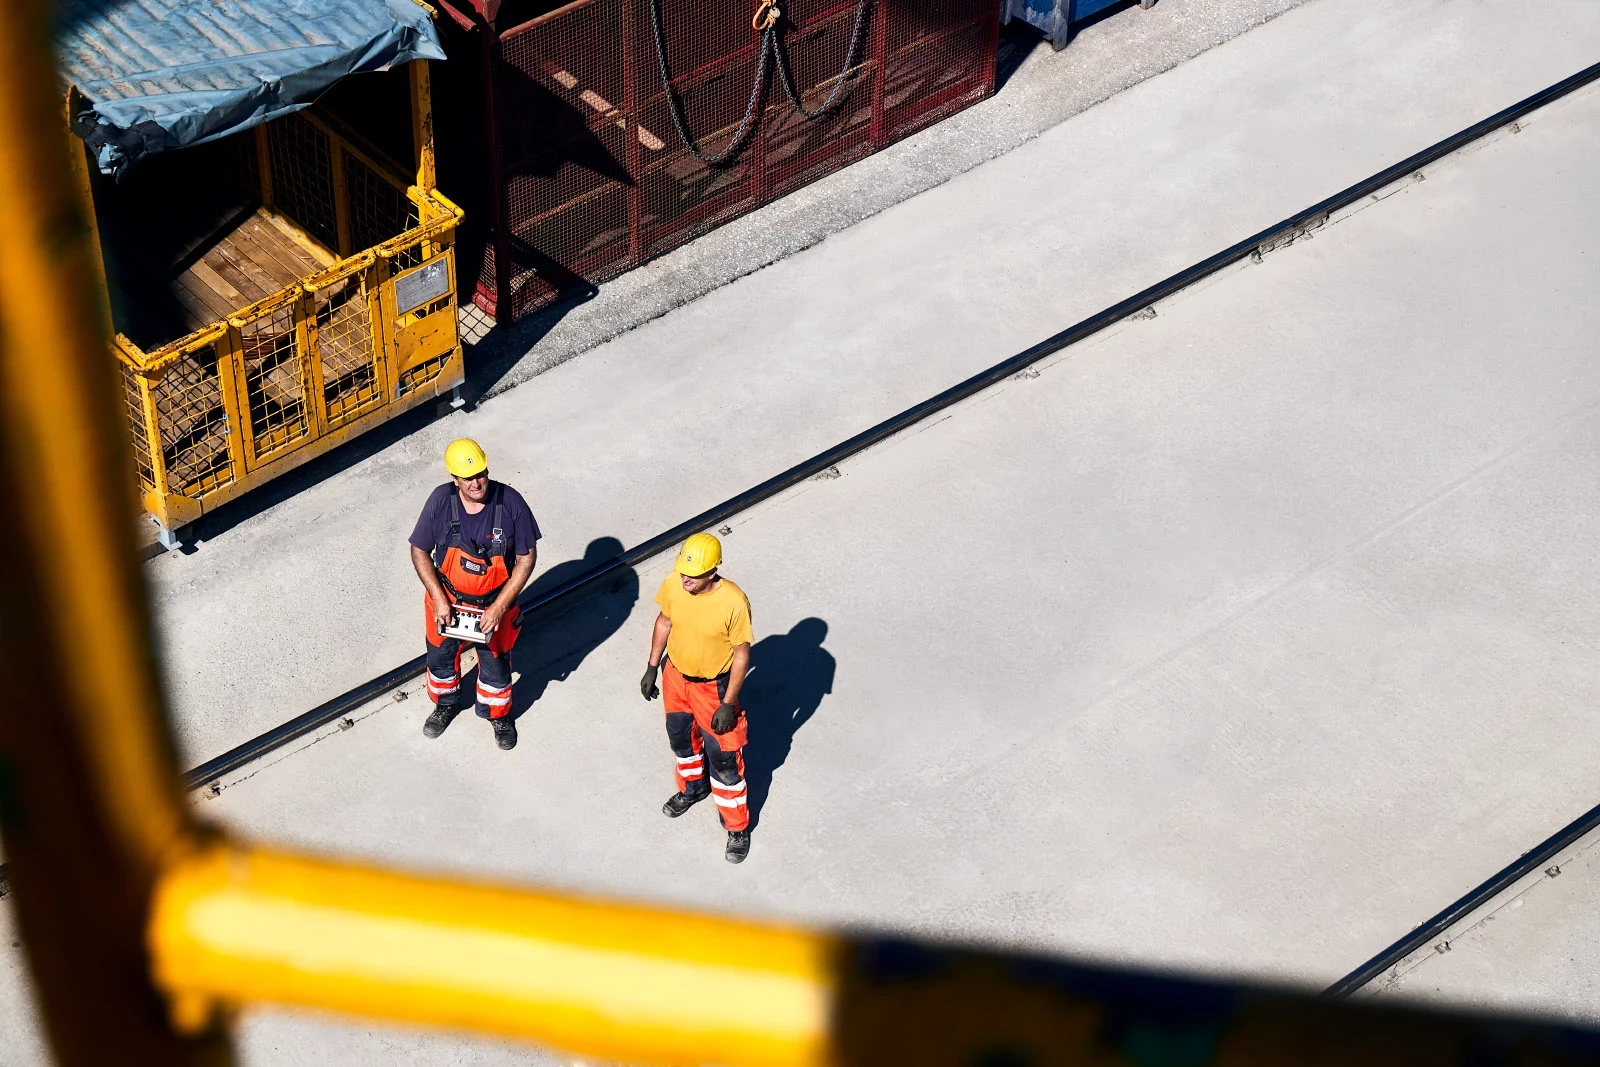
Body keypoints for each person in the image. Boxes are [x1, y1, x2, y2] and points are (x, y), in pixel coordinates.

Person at [409, 438, 539, 750]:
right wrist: (439, 598)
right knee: (440, 658)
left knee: (495, 664)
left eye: (481, 473)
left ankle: (498, 714)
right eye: (467, 478)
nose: (476, 482)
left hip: (494, 604)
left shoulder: (511, 504)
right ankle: (446, 702)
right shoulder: (441, 502)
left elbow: (526, 558)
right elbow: (419, 551)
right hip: (448, 601)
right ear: (454, 479)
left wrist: (499, 607)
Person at [640, 532, 754, 863]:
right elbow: (664, 622)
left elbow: (742, 654)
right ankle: (694, 789)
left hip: (712, 688)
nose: (686, 579)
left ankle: (737, 826)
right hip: (676, 677)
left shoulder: (733, 602)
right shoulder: (675, 583)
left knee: (725, 759)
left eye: (694, 574)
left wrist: (728, 703)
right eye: (683, 572)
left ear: (713, 571)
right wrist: (651, 667)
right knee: (681, 743)